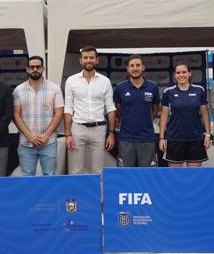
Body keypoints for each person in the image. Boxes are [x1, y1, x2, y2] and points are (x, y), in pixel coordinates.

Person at [63, 46, 116, 174]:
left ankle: (97, 195)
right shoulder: (71, 81)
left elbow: (110, 108)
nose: (88, 60)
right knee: (76, 170)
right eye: (85, 58)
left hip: (99, 129)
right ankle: (76, 194)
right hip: (77, 128)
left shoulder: (105, 81)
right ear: (80, 61)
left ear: (97, 60)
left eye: (91, 57)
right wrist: (67, 134)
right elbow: (68, 109)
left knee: (98, 171)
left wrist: (112, 133)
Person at [12, 56, 64, 176]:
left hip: (48, 142)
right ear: (27, 69)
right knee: (27, 177)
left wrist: (46, 135)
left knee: (49, 176)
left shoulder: (54, 88)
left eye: (38, 67)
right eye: (32, 67)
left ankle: (48, 196)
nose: (35, 69)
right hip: (26, 142)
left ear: (43, 69)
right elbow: (16, 115)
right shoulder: (18, 90)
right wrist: (30, 136)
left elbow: (59, 113)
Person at [158, 61, 211, 167]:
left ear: (189, 73)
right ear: (174, 75)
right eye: (178, 73)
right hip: (174, 139)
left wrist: (208, 135)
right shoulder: (168, 92)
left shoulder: (199, 90)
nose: (181, 75)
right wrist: (162, 138)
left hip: (196, 138)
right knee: (175, 177)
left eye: (184, 72)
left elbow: (205, 113)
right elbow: (164, 116)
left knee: (194, 177)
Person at [114, 55, 160, 167]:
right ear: (128, 69)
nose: (135, 68)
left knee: (148, 175)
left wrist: (147, 120)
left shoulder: (153, 87)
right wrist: (126, 119)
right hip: (126, 138)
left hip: (147, 138)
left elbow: (155, 108)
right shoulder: (120, 88)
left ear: (143, 67)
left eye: (138, 65)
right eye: (132, 66)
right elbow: (117, 108)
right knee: (125, 174)